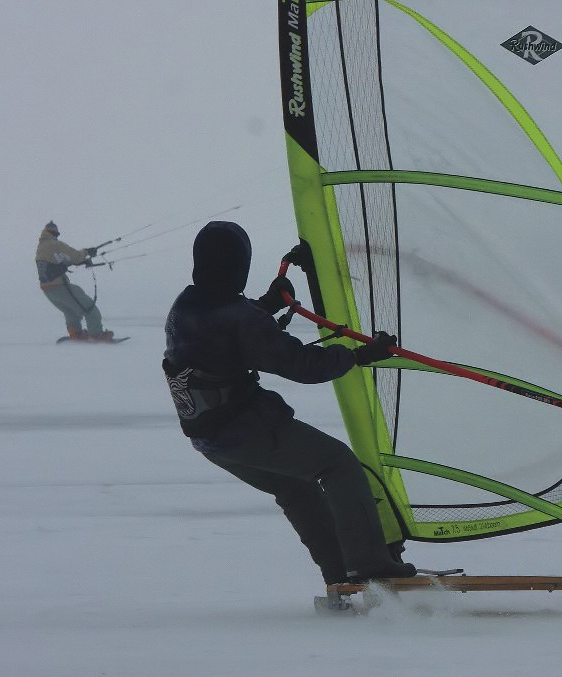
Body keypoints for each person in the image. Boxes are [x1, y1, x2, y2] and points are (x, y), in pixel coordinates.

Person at [163, 221, 416, 584]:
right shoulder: (239, 318)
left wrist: (265, 305)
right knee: (339, 464)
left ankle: (340, 574)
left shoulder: (186, 304)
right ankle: (369, 564)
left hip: (210, 440)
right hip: (244, 430)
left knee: (294, 487)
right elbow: (301, 365)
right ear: (240, 266)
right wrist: (360, 356)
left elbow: (229, 330)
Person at [35, 221, 113, 341]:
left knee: (71, 311)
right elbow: (75, 255)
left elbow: (63, 261)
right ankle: (96, 334)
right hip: (58, 285)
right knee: (89, 308)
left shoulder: (41, 247)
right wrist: (87, 252)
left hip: (48, 290)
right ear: (54, 233)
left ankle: (75, 334)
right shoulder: (54, 244)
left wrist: (82, 261)